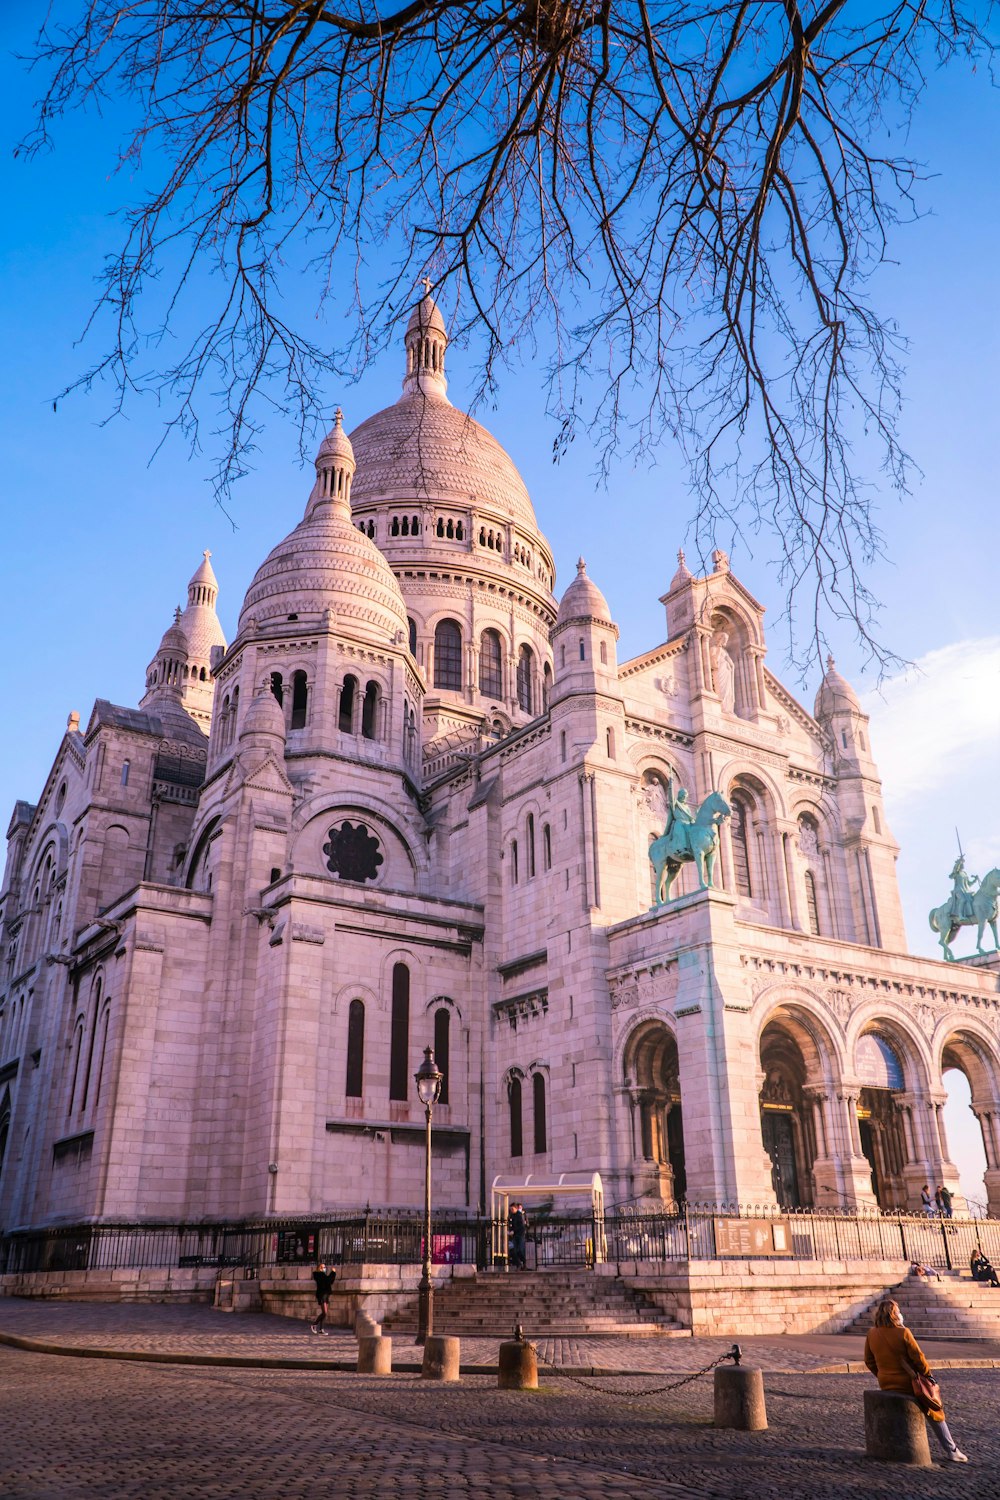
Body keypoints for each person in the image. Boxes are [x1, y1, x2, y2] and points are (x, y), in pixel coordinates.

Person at [864, 1300, 967, 1462]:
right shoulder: (903, 1332)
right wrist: (928, 1375)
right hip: (908, 1383)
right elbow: (918, 1358)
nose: (900, 1313)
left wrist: (882, 1374)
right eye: (897, 1311)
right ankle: (952, 1450)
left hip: (885, 1382)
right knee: (934, 1409)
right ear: (893, 1314)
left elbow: (869, 1361)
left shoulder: (872, 1333)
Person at [310, 1260, 336, 1334]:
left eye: (324, 1267)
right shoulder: (319, 1274)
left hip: (326, 1294)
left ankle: (321, 1329)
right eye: (322, 1267)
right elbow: (328, 1280)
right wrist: (333, 1272)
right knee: (324, 1312)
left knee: (324, 1313)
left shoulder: (323, 1275)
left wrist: (333, 1274)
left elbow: (330, 1281)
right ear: (319, 1268)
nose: (324, 1268)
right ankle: (314, 1324)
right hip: (322, 1295)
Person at [509, 1202, 528, 1271]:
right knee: (514, 1250)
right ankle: (519, 1264)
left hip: (520, 1234)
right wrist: (510, 1231)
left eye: (512, 1209)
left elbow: (521, 1226)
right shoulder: (512, 1215)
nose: (511, 1210)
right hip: (515, 1235)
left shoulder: (520, 1215)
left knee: (520, 1249)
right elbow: (511, 1224)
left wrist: (514, 1231)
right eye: (510, 1209)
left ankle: (523, 1263)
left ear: (516, 1208)